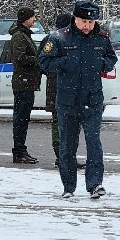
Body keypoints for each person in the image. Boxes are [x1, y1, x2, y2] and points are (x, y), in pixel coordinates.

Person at [38, 0, 117, 199]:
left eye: (91, 22)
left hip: (93, 99)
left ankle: (95, 184)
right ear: (75, 18)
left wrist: (103, 64)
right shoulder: (59, 37)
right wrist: (65, 62)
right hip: (67, 100)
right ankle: (68, 187)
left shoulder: (101, 37)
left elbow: (111, 57)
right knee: (67, 145)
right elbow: (44, 61)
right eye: (83, 21)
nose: (87, 26)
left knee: (94, 143)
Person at [9, 7, 41, 164]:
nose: (34, 19)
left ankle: (21, 150)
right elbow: (21, 58)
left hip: (27, 82)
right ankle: (19, 152)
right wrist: (38, 60)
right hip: (23, 82)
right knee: (21, 119)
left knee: (23, 118)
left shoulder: (24, 35)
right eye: (32, 17)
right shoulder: (19, 36)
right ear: (25, 19)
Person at [44, 11, 72, 165]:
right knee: (60, 122)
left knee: (67, 123)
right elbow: (43, 62)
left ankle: (66, 156)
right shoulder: (54, 40)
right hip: (58, 85)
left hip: (64, 85)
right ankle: (61, 156)